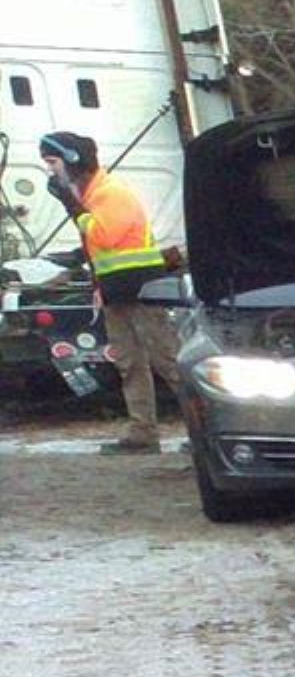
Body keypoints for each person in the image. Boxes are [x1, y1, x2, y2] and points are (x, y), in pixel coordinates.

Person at [39, 130, 185, 456]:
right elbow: (98, 246)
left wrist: (72, 205)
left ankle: (203, 427)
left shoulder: (110, 193)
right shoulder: (93, 197)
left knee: (168, 360)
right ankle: (143, 433)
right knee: (129, 363)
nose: (50, 170)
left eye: (52, 162)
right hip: (116, 290)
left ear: (72, 159)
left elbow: (105, 235)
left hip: (141, 289)